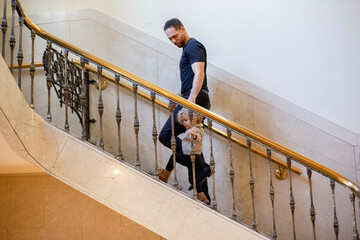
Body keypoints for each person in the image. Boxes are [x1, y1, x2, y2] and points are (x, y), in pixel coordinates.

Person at [158, 18, 211, 201]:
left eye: (175, 35)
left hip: (195, 100)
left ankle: (194, 162)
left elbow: (199, 73)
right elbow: (190, 80)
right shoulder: (187, 49)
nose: (174, 41)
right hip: (192, 98)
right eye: (170, 39)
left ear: (183, 29)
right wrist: (178, 99)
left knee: (165, 135)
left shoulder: (193, 46)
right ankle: (203, 190)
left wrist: (190, 101)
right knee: (193, 146)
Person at [159, 108, 210, 203]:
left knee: (175, 156)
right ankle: (202, 197)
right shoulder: (194, 128)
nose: (184, 123)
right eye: (183, 121)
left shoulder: (195, 129)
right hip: (194, 159)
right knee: (192, 180)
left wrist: (194, 136)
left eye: (186, 120)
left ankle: (165, 174)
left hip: (192, 158)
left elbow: (197, 138)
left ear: (194, 119)